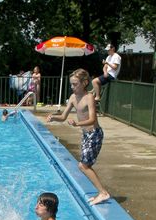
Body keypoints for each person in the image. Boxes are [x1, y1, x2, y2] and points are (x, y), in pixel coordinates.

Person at [47, 69, 112, 205]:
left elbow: (93, 119)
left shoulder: (89, 97)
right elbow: (63, 117)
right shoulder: (72, 98)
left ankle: (103, 193)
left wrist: (77, 123)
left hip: (94, 134)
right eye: (71, 84)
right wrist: (53, 117)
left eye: (75, 84)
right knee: (84, 165)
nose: (72, 87)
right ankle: (101, 192)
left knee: (83, 165)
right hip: (86, 135)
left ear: (85, 83)